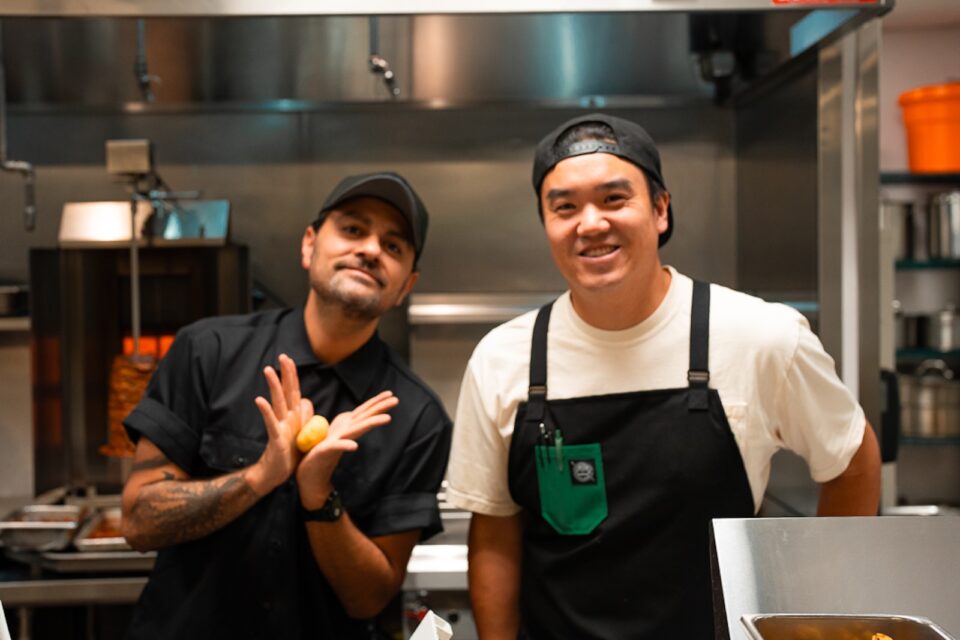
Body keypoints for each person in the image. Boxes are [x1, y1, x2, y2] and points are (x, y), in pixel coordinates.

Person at [445, 114, 882, 639]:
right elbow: (495, 530)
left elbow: (852, 461)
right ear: (546, 224)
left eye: (614, 199)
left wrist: (812, 615)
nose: (590, 224)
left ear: (659, 210)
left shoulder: (760, 337)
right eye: (564, 207)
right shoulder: (502, 358)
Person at [119, 172, 453, 639]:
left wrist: (319, 496)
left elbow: (369, 599)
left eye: (394, 246)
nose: (372, 250)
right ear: (309, 245)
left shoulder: (418, 419)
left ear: (405, 286)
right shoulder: (208, 351)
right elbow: (138, 520)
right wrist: (260, 478)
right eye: (354, 230)